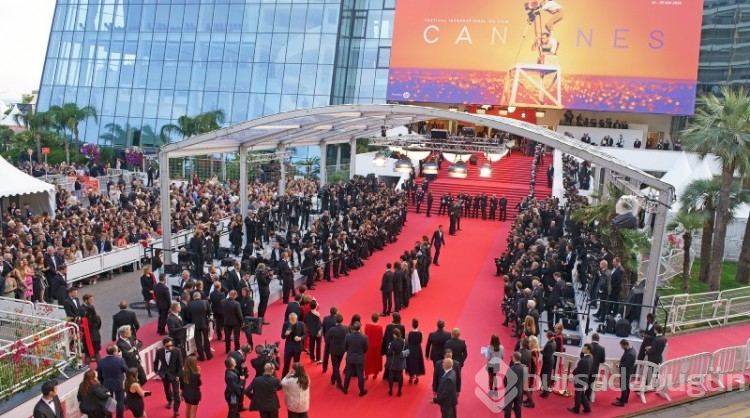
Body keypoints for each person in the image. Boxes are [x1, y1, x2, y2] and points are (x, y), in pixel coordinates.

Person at [153, 337, 183, 416]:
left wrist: (178, 375)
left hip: (175, 374)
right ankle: (170, 401)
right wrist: (157, 371)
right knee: (166, 389)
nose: (170, 347)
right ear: (164, 346)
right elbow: (155, 362)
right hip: (164, 374)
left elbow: (180, 364)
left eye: (171, 345)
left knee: (176, 392)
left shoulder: (177, 351)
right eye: (167, 346)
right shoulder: (159, 352)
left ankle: (176, 410)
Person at [97, 345, 127, 418]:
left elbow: (99, 375)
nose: (118, 352)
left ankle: (109, 416)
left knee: (108, 402)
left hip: (106, 384)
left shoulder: (101, 362)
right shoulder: (120, 360)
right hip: (118, 384)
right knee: (120, 402)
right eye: (117, 350)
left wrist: (102, 384)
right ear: (114, 352)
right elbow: (126, 369)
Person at [342, 321, 368, 396]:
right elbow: (366, 349)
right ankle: (361, 391)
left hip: (350, 358)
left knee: (348, 373)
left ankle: (345, 389)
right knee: (360, 375)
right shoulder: (364, 337)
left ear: (352, 328)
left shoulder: (348, 336)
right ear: (360, 328)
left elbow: (345, 347)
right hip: (359, 358)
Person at [185, 291, 213, 361]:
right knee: (206, 339)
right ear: (199, 296)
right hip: (204, 323)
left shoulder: (189, 304)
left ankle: (201, 356)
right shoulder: (205, 302)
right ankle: (209, 355)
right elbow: (210, 313)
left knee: (198, 341)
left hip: (195, 324)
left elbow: (188, 316)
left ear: (193, 297)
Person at [567, 343, 592, 414]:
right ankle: (587, 408)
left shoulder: (584, 360)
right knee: (582, 394)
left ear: (588, 350)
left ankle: (576, 409)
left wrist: (573, 372)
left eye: (584, 349)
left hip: (580, 379)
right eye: (582, 348)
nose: (582, 349)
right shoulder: (591, 357)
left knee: (578, 395)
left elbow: (577, 370)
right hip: (585, 378)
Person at [325, 313, 348, 389]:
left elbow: (327, 340)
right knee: (337, 365)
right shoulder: (346, 328)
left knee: (335, 366)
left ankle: (339, 382)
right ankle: (333, 378)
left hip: (334, 350)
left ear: (335, 321)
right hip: (342, 350)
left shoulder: (332, 330)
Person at [502, 352, 525, 418]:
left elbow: (505, 380)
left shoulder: (511, 368)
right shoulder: (523, 368)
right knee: (518, 407)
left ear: (514, 358)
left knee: (508, 408)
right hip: (519, 391)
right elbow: (524, 379)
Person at [386, 328, 407, 396]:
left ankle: (391, 391)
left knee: (391, 376)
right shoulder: (404, 341)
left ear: (395, 335)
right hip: (401, 361)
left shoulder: (392, 343)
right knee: (400, 376)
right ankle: (399, 391)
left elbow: (389, 353)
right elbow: (408, 351)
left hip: (393, 361)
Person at [222, 290, 245, 354]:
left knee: (227, 336)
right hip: (235, 322)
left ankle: (227, 349)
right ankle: (237, 349)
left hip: (226, 321)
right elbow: (239, 314)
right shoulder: (236, 303)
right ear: (234, 295)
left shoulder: (223, 302)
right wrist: (242, 321)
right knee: (236, 336)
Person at [363, 313, 384, 380]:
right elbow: (381, 337)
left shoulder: (367, 326)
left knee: (368, 360)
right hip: (377, 346)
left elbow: (365, 335)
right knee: (376, 359)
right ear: (378, 319)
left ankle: (366, 375)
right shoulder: (380, 327)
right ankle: (375, 374)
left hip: (369, 345)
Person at [406, 318, 426, 384]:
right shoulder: (421, 333)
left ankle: (411, 377)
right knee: (418, 362)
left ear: (412, 325)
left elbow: (407, 341)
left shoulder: (408, 333)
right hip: (418, 349)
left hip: (410, 349)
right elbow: (421, 341)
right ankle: (417, 377)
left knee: (410, 361)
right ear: (417, 325)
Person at [586, 333, 606, 401]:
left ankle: (580, 396)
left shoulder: (588, 346)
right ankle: (587, 397)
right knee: (590, 384)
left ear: (592, 338)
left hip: (586, 368)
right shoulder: (602, 349)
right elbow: (602, 361)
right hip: (594, 369)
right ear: (599, 339)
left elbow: (582, 355)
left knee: (582, 382)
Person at [539, 331, 557, 397]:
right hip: (549, 361)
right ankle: (545, 389)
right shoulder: (553, 342)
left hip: (548, 362)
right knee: (545, 376)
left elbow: (547, 355)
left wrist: (541, 351)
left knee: (545, 376)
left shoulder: (550, 344)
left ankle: (545, 392)